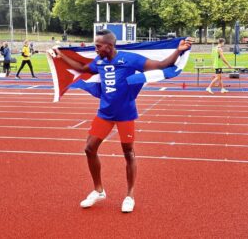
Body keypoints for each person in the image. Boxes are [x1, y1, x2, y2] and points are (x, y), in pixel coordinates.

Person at [54, 29, 192, 213]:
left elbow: (161, 64)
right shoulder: (100, 61)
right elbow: (81, 69)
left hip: (125, 113)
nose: (95, 49)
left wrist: (178, 50)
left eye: (98, 45)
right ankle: (98, 190)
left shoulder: (130, 59)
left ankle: (130, 195)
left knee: (128, 152)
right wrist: (60, 55)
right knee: (89, 148)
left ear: (109, 46)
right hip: (105, 113)